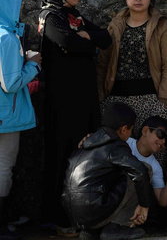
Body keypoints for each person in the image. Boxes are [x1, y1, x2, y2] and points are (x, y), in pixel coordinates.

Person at [39, 0, 112, 232]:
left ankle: (81, 213)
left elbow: (106, 38)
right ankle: (54, 217)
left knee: (84, 154)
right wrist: (84, 40)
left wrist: (86, 37)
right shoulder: (51, 17)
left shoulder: (76, 18)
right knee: (60, 155)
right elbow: (66, 42)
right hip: (61, 101)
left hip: (83, 99)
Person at [99, 0, 167, 131]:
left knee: (149, 151)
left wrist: (163, 101)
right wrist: (102, 96)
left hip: (150, 100)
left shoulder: (161, 25)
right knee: (118, 151)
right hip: (116, 101)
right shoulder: (115, 25)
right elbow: (103, 63)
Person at [62, 102, 153, 240]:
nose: (130, 135)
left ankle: (91, 231)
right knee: (145, 168)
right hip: (93, 210)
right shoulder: (115, 145)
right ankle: (117, 227)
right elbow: (139, 171)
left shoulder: (87, 142)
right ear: (123, 129)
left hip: (75, 217)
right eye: (131, 130)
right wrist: (144, 205)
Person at [0, 0, 40, 240]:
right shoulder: (6, 38)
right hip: (6, 114)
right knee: (4, 167)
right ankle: (2, 223)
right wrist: (33, 65)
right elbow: (11, 83)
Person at [127, 116, 167, 222]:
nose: (163, 141)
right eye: (161, 134)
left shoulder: (155, 167)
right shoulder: (125, 142)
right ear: (145, 131)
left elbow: (163, 201)